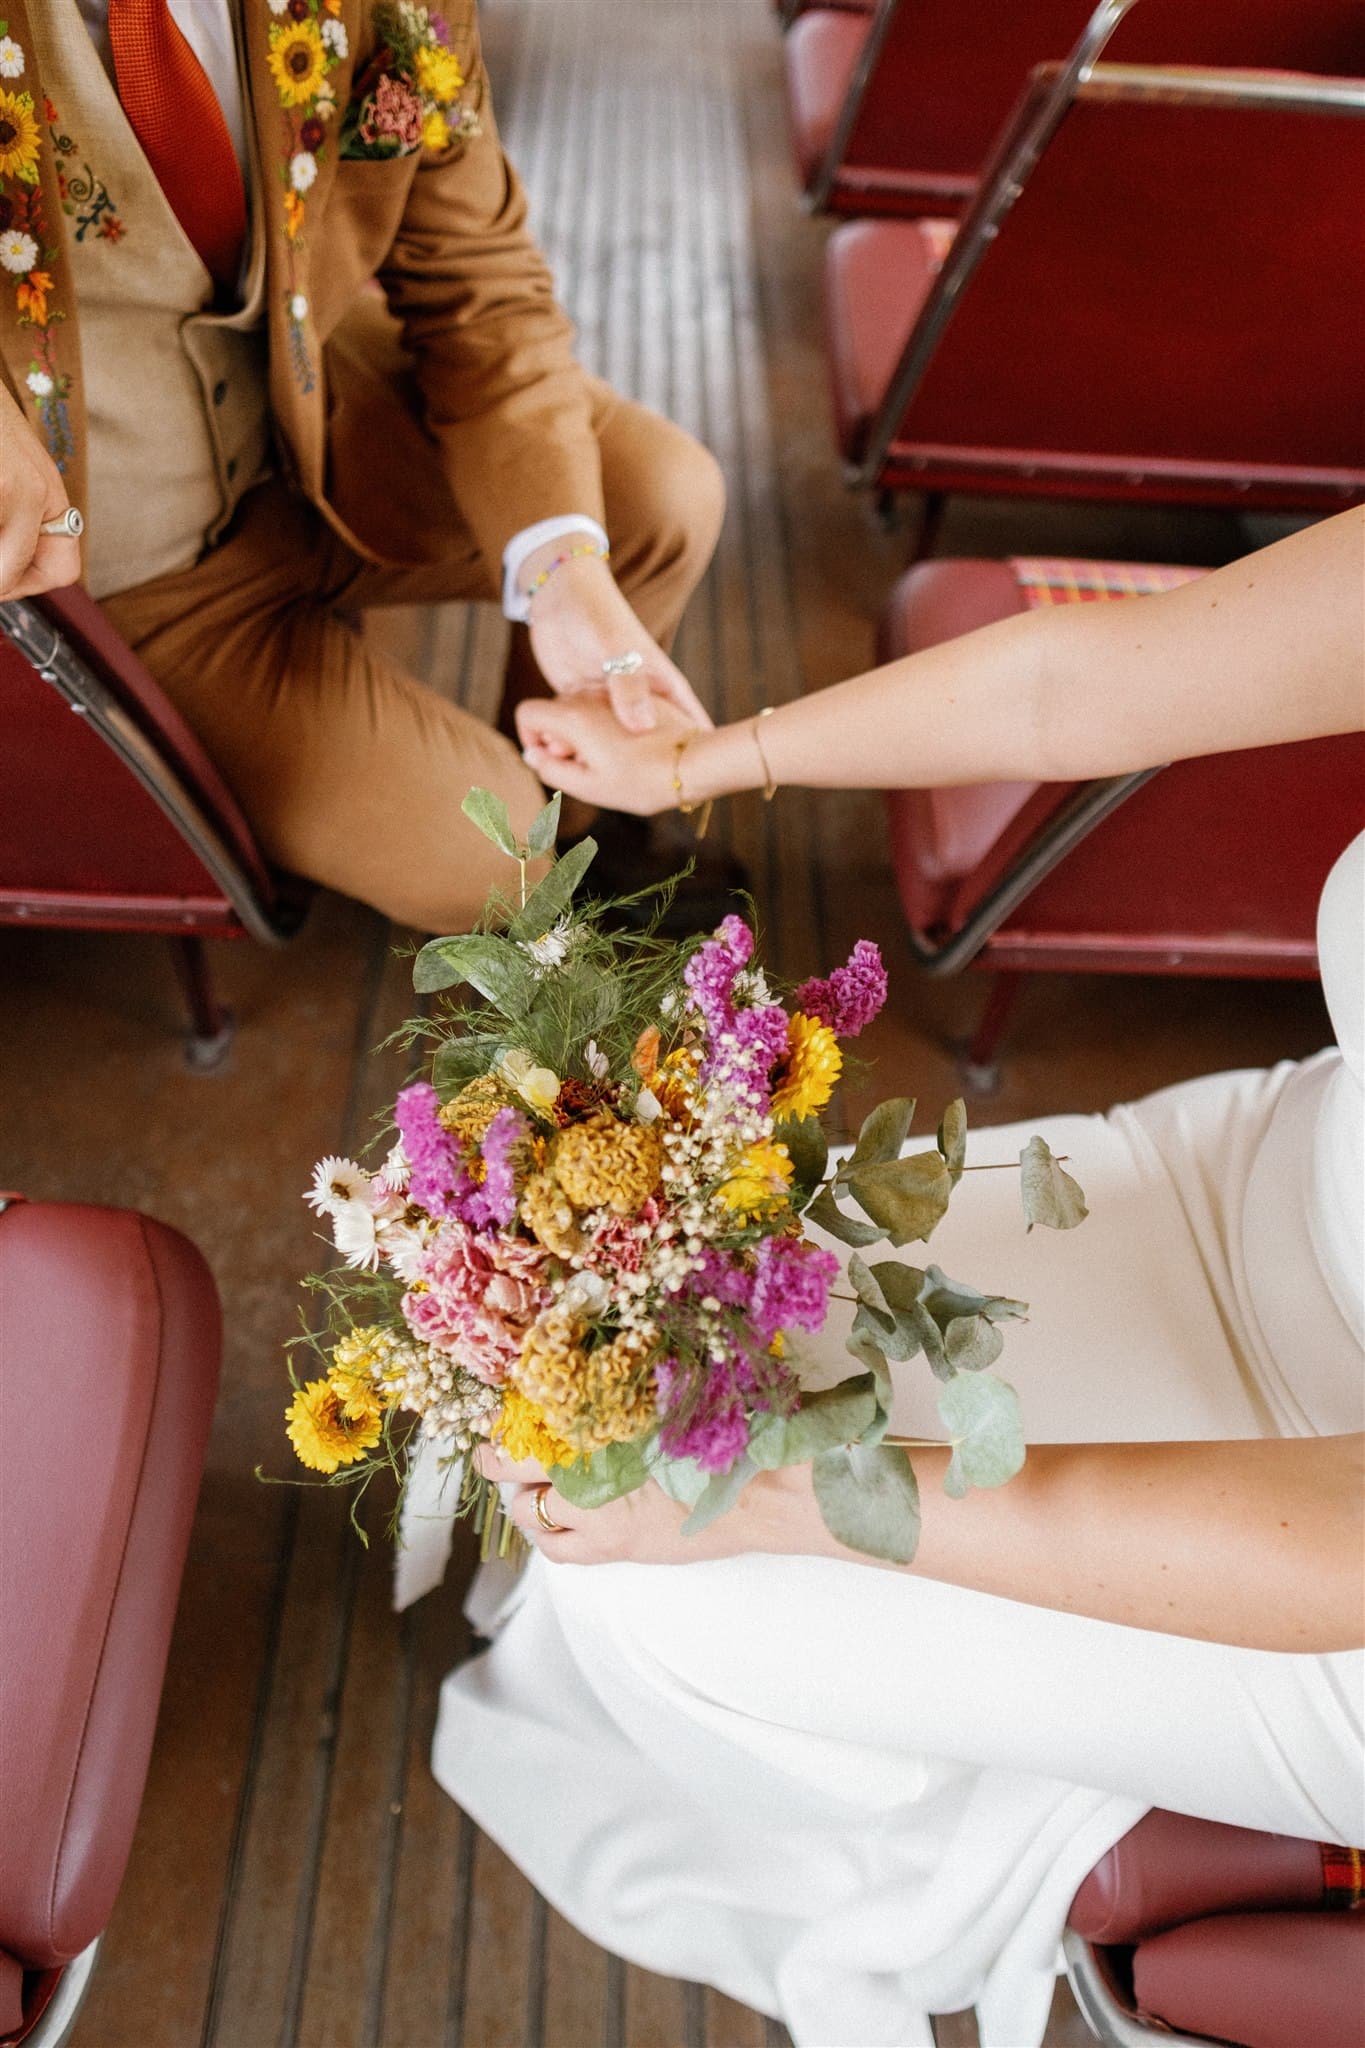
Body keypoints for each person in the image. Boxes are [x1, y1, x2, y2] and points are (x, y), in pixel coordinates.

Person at [430, 510, 1364, 2047]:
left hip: (1333, 1593)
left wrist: (811, 1493)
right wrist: (700, 762)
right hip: (1267, 1182)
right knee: (717, 1301)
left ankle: (891, 1846)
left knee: (708, 1563)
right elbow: (1092, 682)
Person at [0, 0, 724, 931]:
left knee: (664, 497)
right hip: (129, 566)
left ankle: (588, 822)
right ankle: (536, 877)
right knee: (495, 858)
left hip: (330, 424)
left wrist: (561, 573)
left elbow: (480, 279)